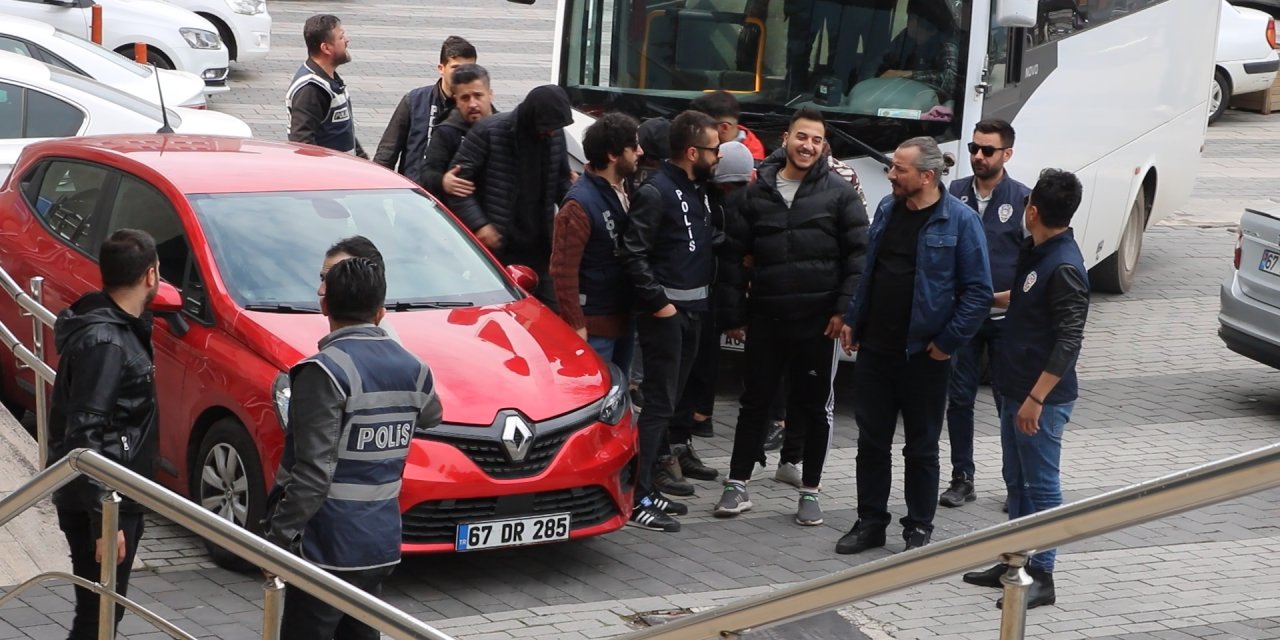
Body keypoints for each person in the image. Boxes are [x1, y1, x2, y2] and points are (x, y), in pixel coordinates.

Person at [263, 257, 442, 640]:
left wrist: (277, 539)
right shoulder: (414, 367)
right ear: (381, 312)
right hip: (380, 541)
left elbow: (312, 472)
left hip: (326, 545)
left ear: (324, 305)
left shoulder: (323, 372)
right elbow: (432, 415)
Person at [835, 137, 992, 555]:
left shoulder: (959, 221)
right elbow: (870, 270)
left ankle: (918, 526)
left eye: (898, 169)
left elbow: (978, 292)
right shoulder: (887, 209)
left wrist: (946, 343)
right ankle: (870, 521)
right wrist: (854, 317)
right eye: (891, 167)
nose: (890, 175)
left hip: (925, 356)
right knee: (872, 442)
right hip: (876, 350)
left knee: (921, 447)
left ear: (926, 176)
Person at [715, 108, 868, 526]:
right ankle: (737, 484)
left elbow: (859, 255)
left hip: (817, 322)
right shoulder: (756, 192)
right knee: (754, 403)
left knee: (815, 407)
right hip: (767, 317)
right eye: (802, 137)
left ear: (824, 146)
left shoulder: (839, 194)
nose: (808, 146)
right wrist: (735, 313)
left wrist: (843, 309)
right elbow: (732, 256)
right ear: (786, 138)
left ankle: (811, 491)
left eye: (817, 140)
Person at [962, 169, 1088, 611]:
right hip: (1014, 387)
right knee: (1015, 480)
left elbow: (1070, 340)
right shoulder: (1037, 250)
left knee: (1043, 485)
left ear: (1032, 211)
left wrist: (1036, 399)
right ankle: (1013, 560)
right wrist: (981, 298)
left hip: (1041, 400)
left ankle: (1043, 575)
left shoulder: (1065, 265)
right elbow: (1024, 297)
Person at [47, 229, 160, 640]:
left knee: (102, 614)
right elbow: (85, 433)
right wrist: (104, 520)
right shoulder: (108, 341)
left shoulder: (115, 328)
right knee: (99, 617)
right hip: (105, 500)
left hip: (112, 492)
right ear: (151, 275)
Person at [619, 109, 721, 532]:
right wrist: (660, 303)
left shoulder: (698, 189)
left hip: (695, 311)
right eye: (714, 150)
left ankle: (647, 488)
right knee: (658, 404)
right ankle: (637, 496)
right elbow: (632, 253)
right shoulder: (657, 191)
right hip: (667, 316)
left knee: (671, 401)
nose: (719, 157)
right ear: (692, 151)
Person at [939, 119, 1031, 509]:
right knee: (959, 398)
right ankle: (962, 477)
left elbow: (1035, 260)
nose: (978, 156)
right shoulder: (954, 193)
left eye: (987, 150)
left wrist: (1012, 298)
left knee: (1008, 401)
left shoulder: (1023, 199)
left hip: (1006, 321)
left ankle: (1017, 483)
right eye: (974, 148)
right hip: (964, 320)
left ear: (1006, 154)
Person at [668, 140, 757, 484]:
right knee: (680, 380)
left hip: (709, 300)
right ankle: (670, 450)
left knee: (697, 375)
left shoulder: (721, 200)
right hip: (691, 299)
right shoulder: (693, 195)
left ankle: (680, 443)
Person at [447, 84, 575, 309]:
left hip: (540, 247)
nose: (552, 132)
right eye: (547, 127)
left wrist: (576, 196)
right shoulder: (489, 132)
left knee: (552, 311)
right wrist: (480, 225)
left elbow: (562, 180)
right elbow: (458, 188)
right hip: (497, 249)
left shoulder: (555, 135)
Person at [550, 113, 642, 371]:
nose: (640, 152)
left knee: (618, 397)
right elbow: (562, 271)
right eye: (633, 147)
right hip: (594, 327)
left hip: (624, 318)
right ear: (613, 155)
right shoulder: (579, 205)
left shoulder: (628, 189)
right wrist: (576, 325)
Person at [373, 36, 478, 182]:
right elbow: (387, 153)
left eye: (469, 69)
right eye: (456, 68)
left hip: (456, 198)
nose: (462, 75)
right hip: (415, 196)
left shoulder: (478, 109)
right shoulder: (415, 100)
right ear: (441, 68)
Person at [286, 15, 367, 158]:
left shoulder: (331, 80)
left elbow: (341, 132)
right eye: (341, 37)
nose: (347, 40)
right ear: (326, 48)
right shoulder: (311, 89)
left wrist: (362, 160)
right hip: (328, 177)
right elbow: (303, 143)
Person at [420, 64, 496, 201]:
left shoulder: (505, 127)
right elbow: (427, 174)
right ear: (456, 100)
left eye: (478, 96)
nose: (473, 104)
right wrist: (443, 182)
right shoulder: (447, 131)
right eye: (465, 98)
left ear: (490, 95)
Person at [877, 1, 960, 99]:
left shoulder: (947, 44)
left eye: (912, 18)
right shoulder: (904, 38)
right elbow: (884, 65)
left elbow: (950, 81)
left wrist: (907, 75)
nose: (909, 22)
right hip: (900, 96)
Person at [690, 91, 765, 163]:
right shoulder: (694, 140)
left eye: (702, 125)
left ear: (724, 127)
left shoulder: (751, 159)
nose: (696, 129)